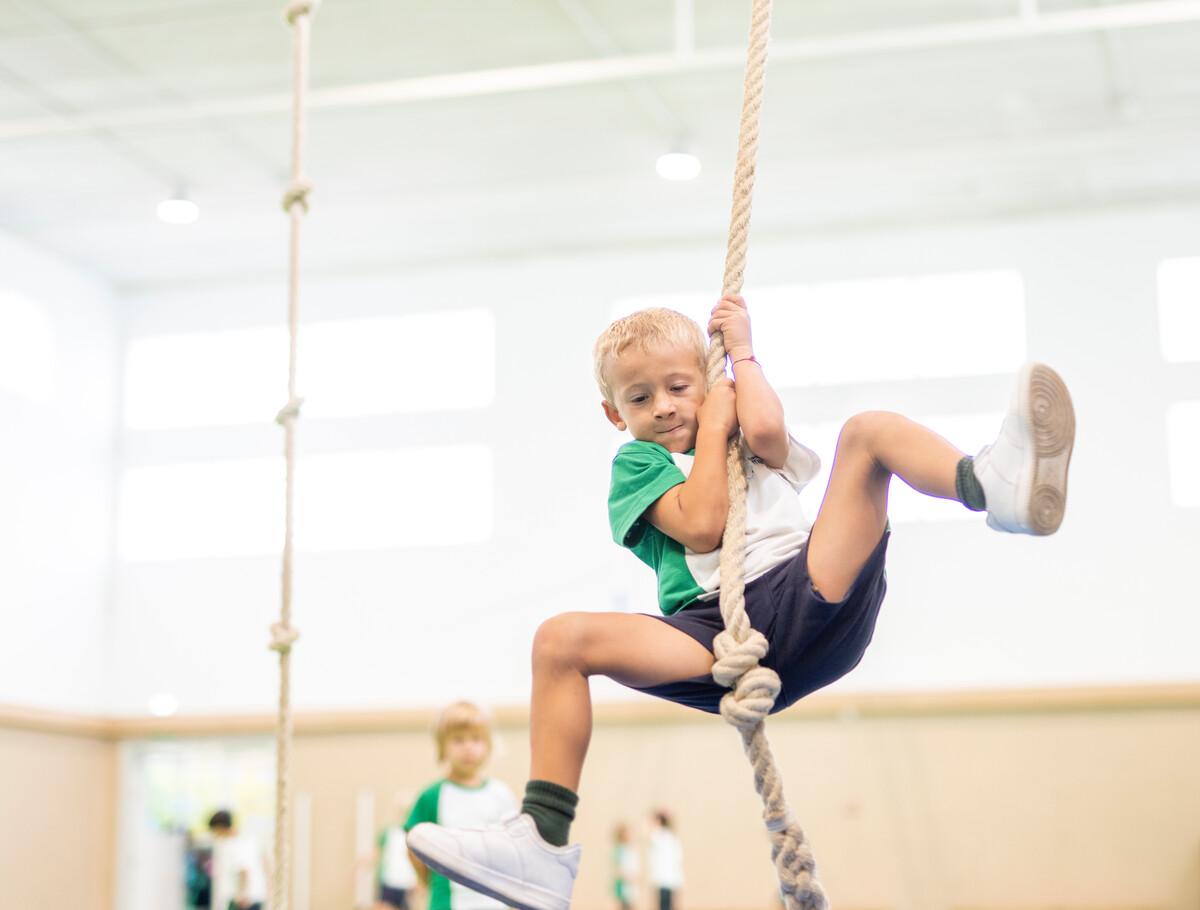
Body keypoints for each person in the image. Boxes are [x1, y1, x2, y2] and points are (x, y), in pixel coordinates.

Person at [408, 299, 1076, 910]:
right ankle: (544, 845)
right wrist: (715, 416)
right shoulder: (636, 465)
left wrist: (744, 356)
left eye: (679, 387)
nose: (665, 407)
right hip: (713, 630)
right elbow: (702, 523)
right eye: (641, 398)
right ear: (616, 414)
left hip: (807, 589)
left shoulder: (740, 431)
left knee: (868, 431)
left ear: (705, 380)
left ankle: (992, 487)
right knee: (559, 640)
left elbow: (768, 432)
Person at [404, 701, 518, 910]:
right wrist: (427, 881)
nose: (468, 747)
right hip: (447, 902)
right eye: (458, 740)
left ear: (488, 744)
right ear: (442, 746)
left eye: (476, 739)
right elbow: (412, 847)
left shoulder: (501, 794)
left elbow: (514, 848)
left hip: (495, 902)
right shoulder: (431, 796)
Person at [207, 809, 270, 910]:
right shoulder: (248, 839)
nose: (215, 835)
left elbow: (243, 870)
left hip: (245, 901)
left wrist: (242, 896)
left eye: (215, 831)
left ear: (221, 827)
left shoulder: (236, 843)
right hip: (252, 897)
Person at [376, 795, 420, 910]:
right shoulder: (390, 832)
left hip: (408, 883)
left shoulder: (416, 834)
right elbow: (376, 852)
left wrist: (419, 882)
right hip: (390, 881)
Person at [648, 810, 683, 910]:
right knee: (668, 905)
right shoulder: (672, 837)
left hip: (664, 877)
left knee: (665, 905)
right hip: (668, 878)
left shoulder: (659, 836)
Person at [610, 823, 639, 910]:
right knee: (624, 905)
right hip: (623, 883)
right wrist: (626, 876)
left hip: (632, 883)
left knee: (631, 904)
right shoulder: (619, 849)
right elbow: (617, 867)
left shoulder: (631, 849)